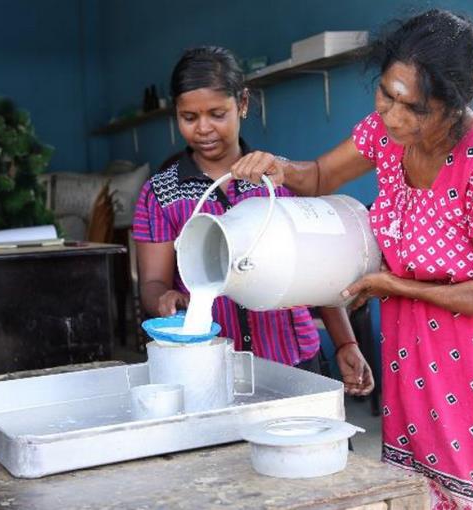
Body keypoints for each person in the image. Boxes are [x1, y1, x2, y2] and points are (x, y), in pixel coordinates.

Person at [230, 10, 473, 509]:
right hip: (422, 363)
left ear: (455, 105)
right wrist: (277, 167)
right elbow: (319, 175)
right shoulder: (387, 133)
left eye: (416, 108)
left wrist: (396, 287)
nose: (394, 116)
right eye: (387, 93)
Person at [132, 46, 374, 395]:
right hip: (212, 371)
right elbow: (152, 282)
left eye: (217, 113)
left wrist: (345, 344)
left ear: (242, 104)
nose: (204, 129)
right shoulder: (161, 194)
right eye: (189, 117)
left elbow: (316, 271)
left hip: (294, 359)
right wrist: (163, 299)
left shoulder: (280, 178)